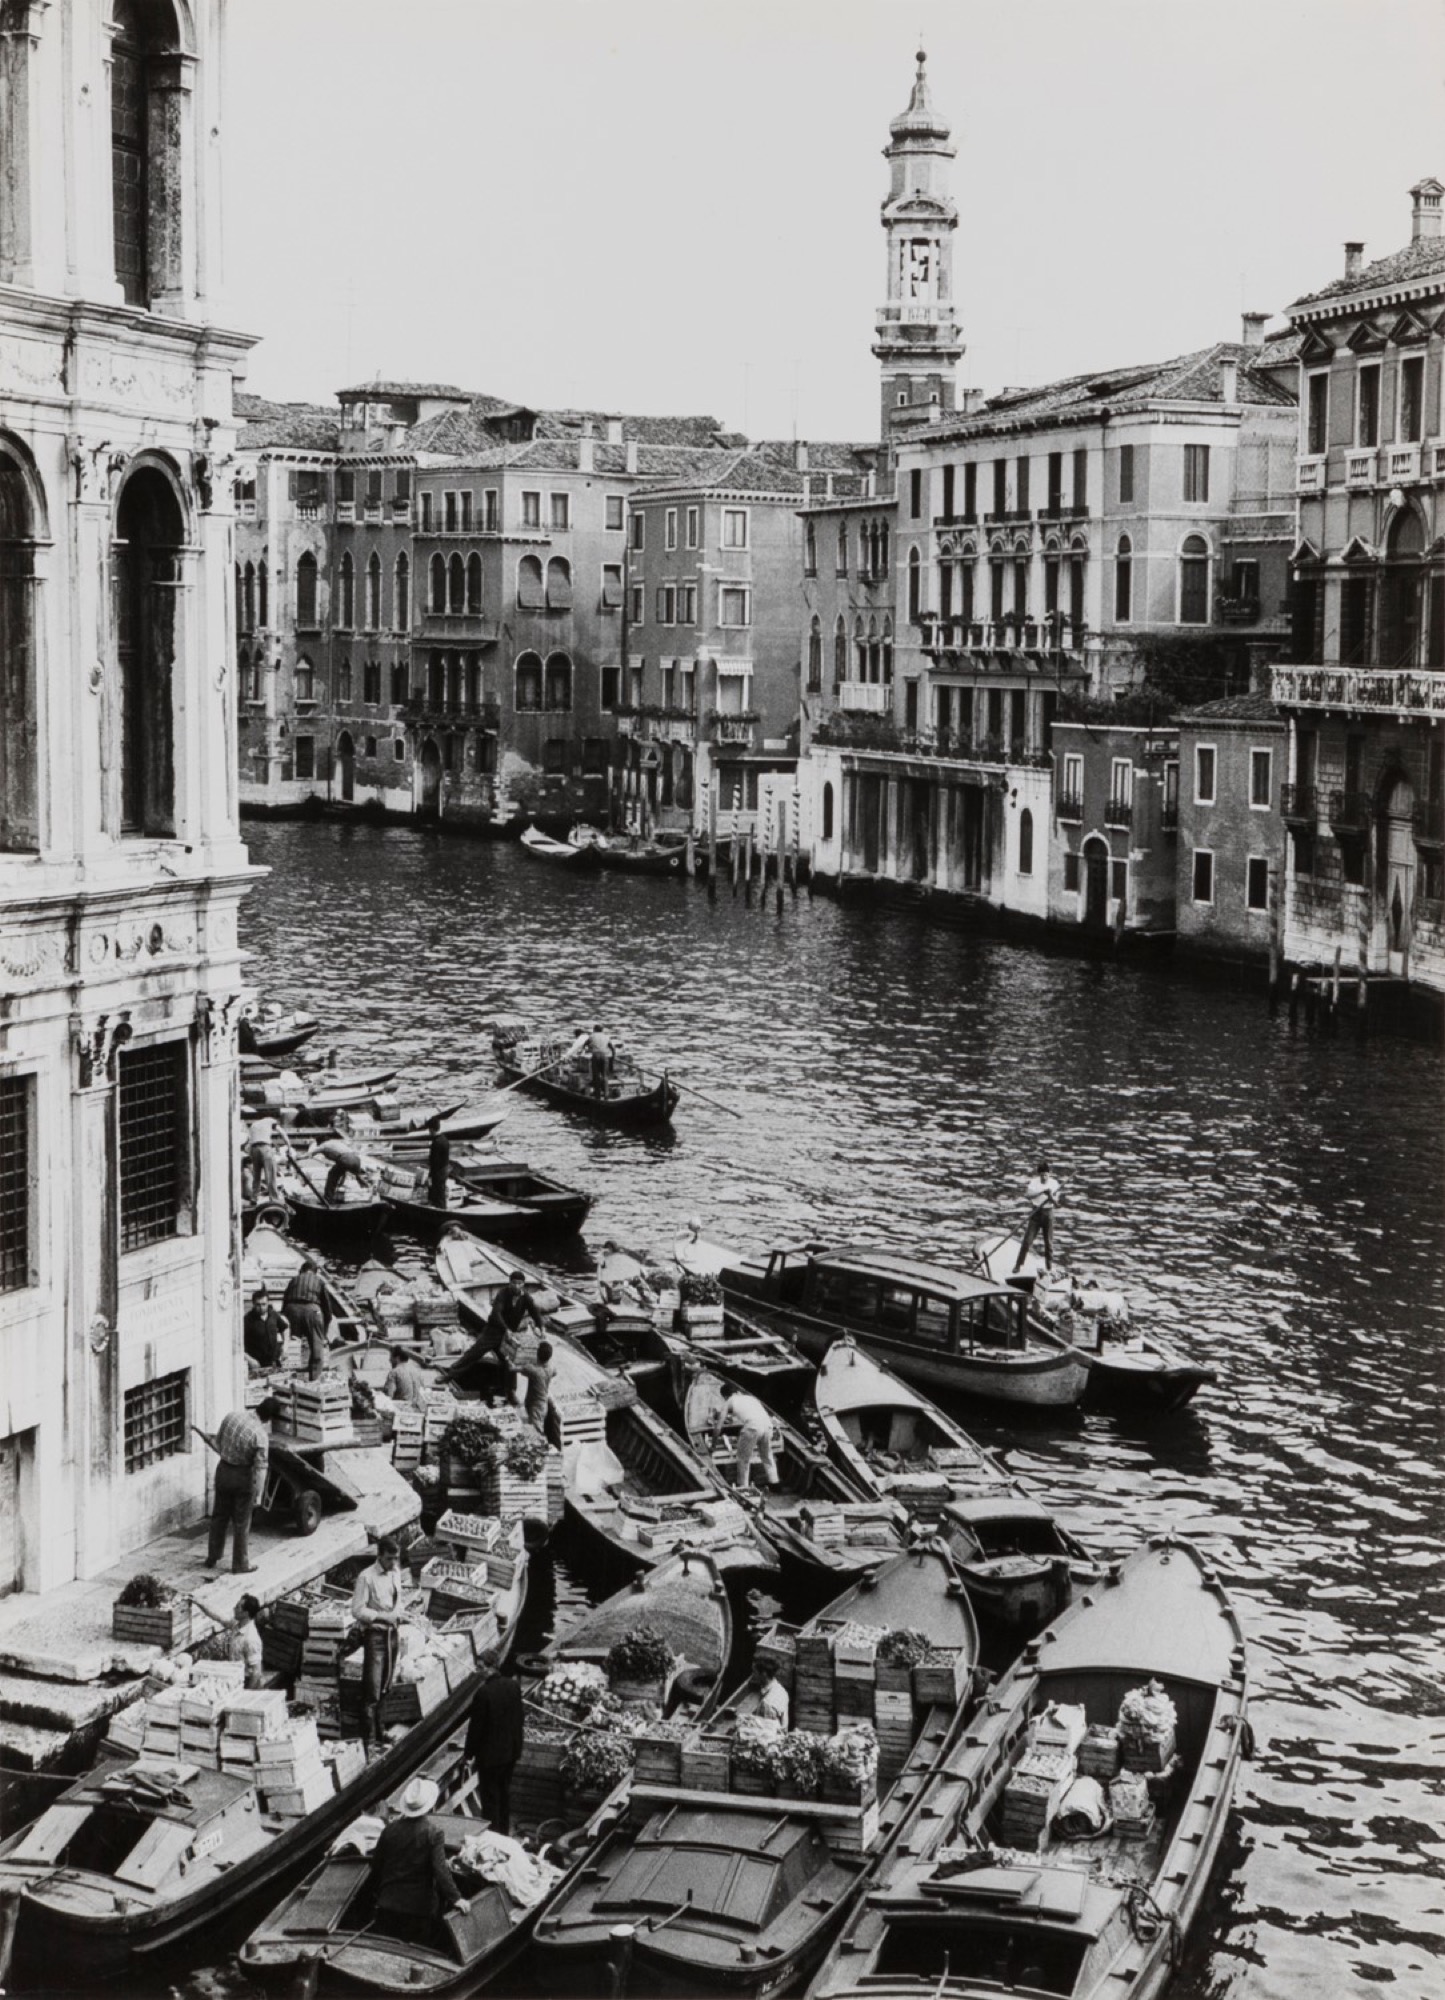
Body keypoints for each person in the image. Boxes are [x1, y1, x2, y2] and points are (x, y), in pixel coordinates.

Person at [369, 1776, 469, 1946]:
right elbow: (440, 1871)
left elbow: (376, 1865)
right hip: (418, 1911)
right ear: (429, 1806)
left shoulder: (389, 1830)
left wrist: (378, 1894)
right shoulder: (434, 1833)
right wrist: (457, 1898)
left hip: (388, 1906)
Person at [205, 1397, 282, 1575]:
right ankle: (240, 1564)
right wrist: (259, 1495)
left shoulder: (232, 1417)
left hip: (223, 1471)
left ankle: (212, 1557)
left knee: (219, 1517)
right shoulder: (260, 1436)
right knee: (241, 1522)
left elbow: (218, 1442)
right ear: (269, 1418)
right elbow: (261, 1468)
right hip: (242, 1477)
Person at [352, 1535, 406, 1749]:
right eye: (389, 1559)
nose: (393, 1563)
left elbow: (398, 1599)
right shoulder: (366, 1577)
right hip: (375, 1637)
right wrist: (384, 1617)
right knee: (372, 1690)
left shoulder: (396, 1572)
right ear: (380, 1556)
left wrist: (397, 1614)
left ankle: (381, 1731)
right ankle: (369, 1741)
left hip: (392, 1634)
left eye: (396, 1558)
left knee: (386, 1686)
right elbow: (357, 1609)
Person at [465, 1651, 524, 1834]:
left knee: (490, 1798)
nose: (478, 1671)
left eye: (480, 1667)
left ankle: (491, 1834)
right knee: (504, 1794)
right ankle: (504, 1832)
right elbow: (519, 1718)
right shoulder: (513, 1686)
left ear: (490, 1668)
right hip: (511, 1752)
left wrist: (468, 1754)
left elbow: (476, 1728)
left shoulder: (483, 1693)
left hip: (490, 1757)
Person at [709, 1387, 779, 1491]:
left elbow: (718, 1426)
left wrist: (713, 1445)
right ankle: (775, 1484)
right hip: (768, 1426)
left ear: (725, 1396)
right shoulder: (751, 1398)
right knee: (767, 1456)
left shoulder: (729, 1401)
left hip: (752, 1427)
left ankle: (743, 1488)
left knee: (743, 1459)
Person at [282, 1257, 330, 1379]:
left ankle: (289, 1378)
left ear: (301, 1271)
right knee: (316, 1349)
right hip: (312, 1311)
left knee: (292, 1345)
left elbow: (284, 1303)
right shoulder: (319, 1281)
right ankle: (314, 1380)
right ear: (314, 1272)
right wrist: (323, 1334)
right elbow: (327, 1310)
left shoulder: (293, 1280)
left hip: (291, 1310)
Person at [1013, 1159, 1062, 1273]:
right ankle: (1018, 1265)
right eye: (1042, 1175)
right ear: (1039, 1175)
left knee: (1048, 1243)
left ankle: (1049, 1268)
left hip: (1048, 1213)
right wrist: (1041, 1192)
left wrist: (1051, 1198)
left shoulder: (1054, 1184)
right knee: (1027, 1241)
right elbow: (1028, 1195)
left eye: (1046, 1175)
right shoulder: (1034, 1182)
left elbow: (1057, 1204)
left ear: (1049, 1174)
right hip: (1036, 1213)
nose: (1044, 1177)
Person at [243, 1286, 286, 1371]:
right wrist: (249, 1360)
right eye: (258, 1305)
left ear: (268, 1303)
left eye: (264, 1304)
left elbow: (285, 1328)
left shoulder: (273, 1315)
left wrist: (285, 1346)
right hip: (256, 1365)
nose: (261, 1307)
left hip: (275, 1364)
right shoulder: (247, 1320)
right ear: (253, 1304)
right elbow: (238, 1345)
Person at [516, 1340, 555, 1432]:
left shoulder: (533, 1370)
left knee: (536, 1432)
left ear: (537, 1355)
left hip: (535, 1407)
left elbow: (511, 1367)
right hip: (542, 1404)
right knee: (536, 1428)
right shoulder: (550, 1368)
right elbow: (554, 1372)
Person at [319, 1137, 370, 1204]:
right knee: (358, 1177)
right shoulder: (337, 1143)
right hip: (356, 1159)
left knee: (332, 1174)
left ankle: (328, 1199)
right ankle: (367, 1190)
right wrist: (341, 1181)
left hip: (345, 1159)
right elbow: (343, 1171)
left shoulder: (327, 1146)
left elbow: (339, 1162)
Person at [230, 1593, 265, 1688]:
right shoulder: (237, 1626)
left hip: (247, 1681)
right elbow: (218, 1616)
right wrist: (199, 1602)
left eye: (237, 1607)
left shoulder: (251, 1639)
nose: (234, 1609)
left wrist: (247, 1694)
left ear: (245, 1613)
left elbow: (256, 1672)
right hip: (235, 1678)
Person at [246, 1112, 281, 1201]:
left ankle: (254, 1197)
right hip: (265, 1148)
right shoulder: (271, 1120)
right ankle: (274, 1198)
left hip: (254, 1148)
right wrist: (288, 1145)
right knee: (270, 1175)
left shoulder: (254, 1125)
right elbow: (282, 1132)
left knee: (256, 1175)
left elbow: (251, 1141)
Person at [426, 1116, 451, 1212]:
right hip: (444, 1169)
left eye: (429, 1129)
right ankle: (441, 1208)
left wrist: (430, 1176)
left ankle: (440, 1211)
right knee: (441, 1192)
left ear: (432, 1129)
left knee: (438, 1193)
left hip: (438, 1172)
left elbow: (434, 1161)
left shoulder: (436, 1143)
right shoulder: (444, 1139)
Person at [755, 1662, 790, 1729]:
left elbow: (783, 1724)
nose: (753, 1675)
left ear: (764, 1674)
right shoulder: (781, 1690)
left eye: (755, 1672)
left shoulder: (769, 1700)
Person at [587, 1022, 614, 1099]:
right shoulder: (606, 1036)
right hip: (605, 1056)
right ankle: (606, 1095)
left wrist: (587, 1048)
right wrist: (611, 1061)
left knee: (596, 1076)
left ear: (594, 1030)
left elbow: (586, 1044)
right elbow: (612, 1049)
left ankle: (597, 1096)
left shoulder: (592, 1036)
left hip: (596, 1056)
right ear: (602, 1030)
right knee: (605, 1076)